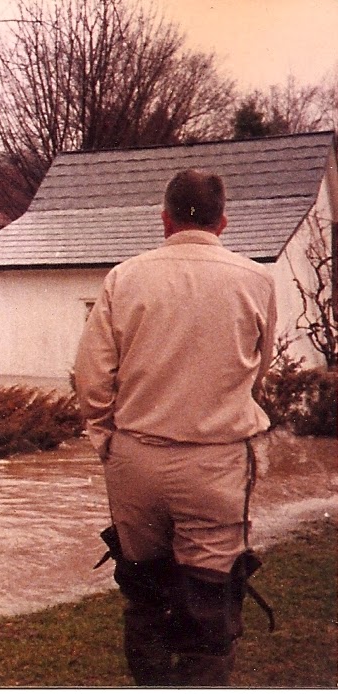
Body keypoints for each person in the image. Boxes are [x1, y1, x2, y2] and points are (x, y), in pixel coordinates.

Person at [74, 169, 277, 686]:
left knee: (144, 593)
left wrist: (109, 443)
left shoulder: (124, 277)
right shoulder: (256, 280)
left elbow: (92, 379)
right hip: (217, 463)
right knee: (209, 599)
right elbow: (259, 369)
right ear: (223, 222)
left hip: (137, 457)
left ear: (164, 220)